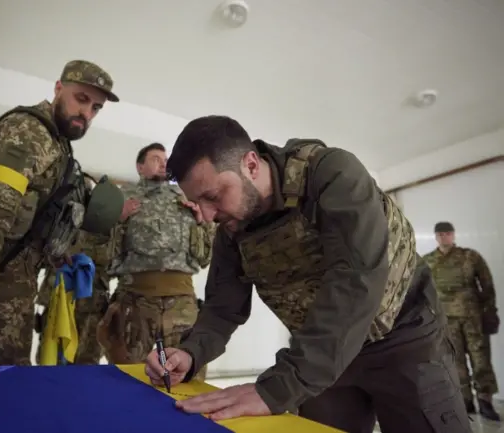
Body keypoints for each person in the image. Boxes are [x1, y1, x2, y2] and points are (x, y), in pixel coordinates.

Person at [145, 115, 472, 433]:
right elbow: (222, 306)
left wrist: (275, 389)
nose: (205, 215)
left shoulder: (331, 174)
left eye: (213, 197)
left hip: (405, 342)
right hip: (320, 353)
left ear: (251, 165)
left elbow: (356, 281)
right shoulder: (232, 226)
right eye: (197, 203)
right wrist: (190, 353)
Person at [0, 60, 120, 372]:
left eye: (96, 108)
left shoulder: (57, 144)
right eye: (81, 99)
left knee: (7, 379)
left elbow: (34, 214)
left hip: (16, 283)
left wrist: (56, 254)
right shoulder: (30, 133)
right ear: (58, 88)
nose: (87, 114)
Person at [98, 143, 215, 378]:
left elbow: (204, 258)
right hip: (135, 300)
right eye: (155, 158)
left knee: (188, 375)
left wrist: (203, 223)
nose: (163, 163)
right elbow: (104, 256)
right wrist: (117, 219)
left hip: (181, 303)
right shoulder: (121, 198)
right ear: (140, 167)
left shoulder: (187, 198)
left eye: (165, 158)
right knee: (127, 374)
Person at [34, 195, 138, 365]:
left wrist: (118, 222)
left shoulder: (115, 228)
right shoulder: (67, 217)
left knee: (87, 364)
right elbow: (62, 253)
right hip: (61, 301)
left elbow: (118, 263)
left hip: (92, 308)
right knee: (52, 364)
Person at [423, 222, 500, 421]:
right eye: (440, 234)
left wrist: (490, 312)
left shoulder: (470, 256)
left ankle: (485, 401)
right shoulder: (427, 261)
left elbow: (487, 285)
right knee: (454, 361)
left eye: (447, 233)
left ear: (453, 235)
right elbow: (421, 291)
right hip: (445, 320)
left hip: (472, 318)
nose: (444, 237)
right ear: (436, 237)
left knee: (480, 359)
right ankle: (465, 402)